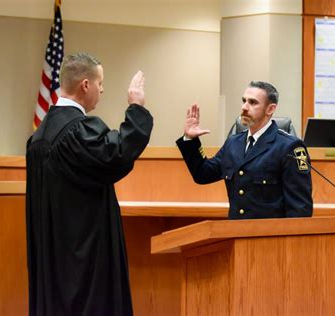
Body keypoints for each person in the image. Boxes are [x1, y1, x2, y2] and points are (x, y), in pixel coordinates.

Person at [25, 52, 153, 316]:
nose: (102, 90)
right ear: (86, 85)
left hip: (52, 254)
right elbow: (117, 153)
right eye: (101, 83)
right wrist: (137, 109)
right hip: (83, 255)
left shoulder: (39, 136)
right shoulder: (77, 131)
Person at [176, 81, 312, 219]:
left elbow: (299, 208)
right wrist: (190, 140)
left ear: (270, 109)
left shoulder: (289, 147)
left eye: (253, 102)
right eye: (244, 101)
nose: (244, 107)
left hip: (269, 237)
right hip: (236, 234)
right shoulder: (233, 143)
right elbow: (202, 174)